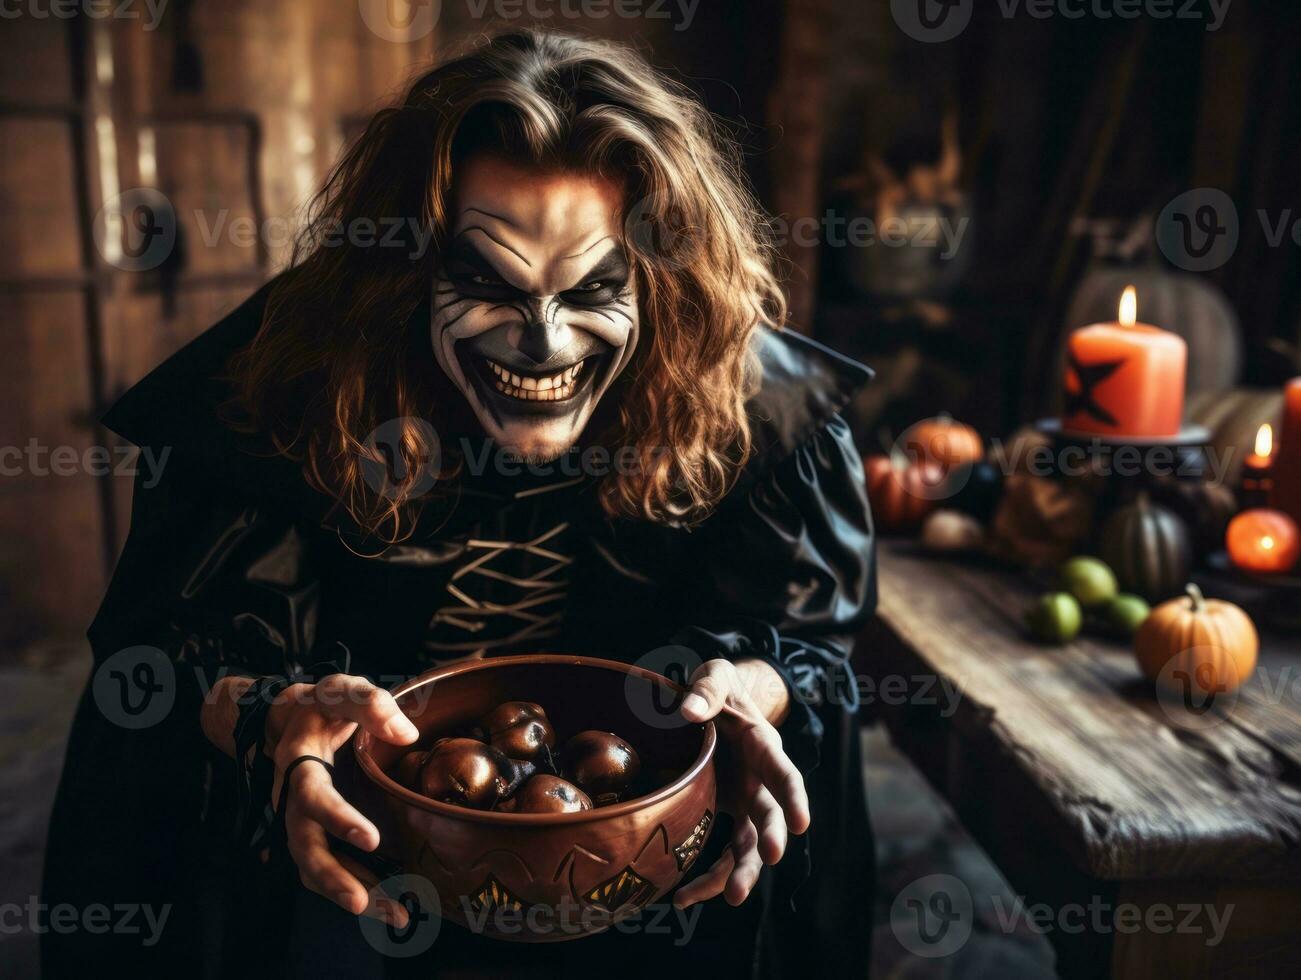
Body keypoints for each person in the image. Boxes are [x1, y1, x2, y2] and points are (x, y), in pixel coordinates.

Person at [43, 30, 876, 979]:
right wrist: (269, 717)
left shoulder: (754, 407)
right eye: (485, 283)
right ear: (405, 277)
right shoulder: (280, 388)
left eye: (594, 290)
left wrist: (751, 692)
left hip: (650, 867)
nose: (542, 343)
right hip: (351, 863)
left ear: (662, 283)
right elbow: (162, 651)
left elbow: (804, 633)